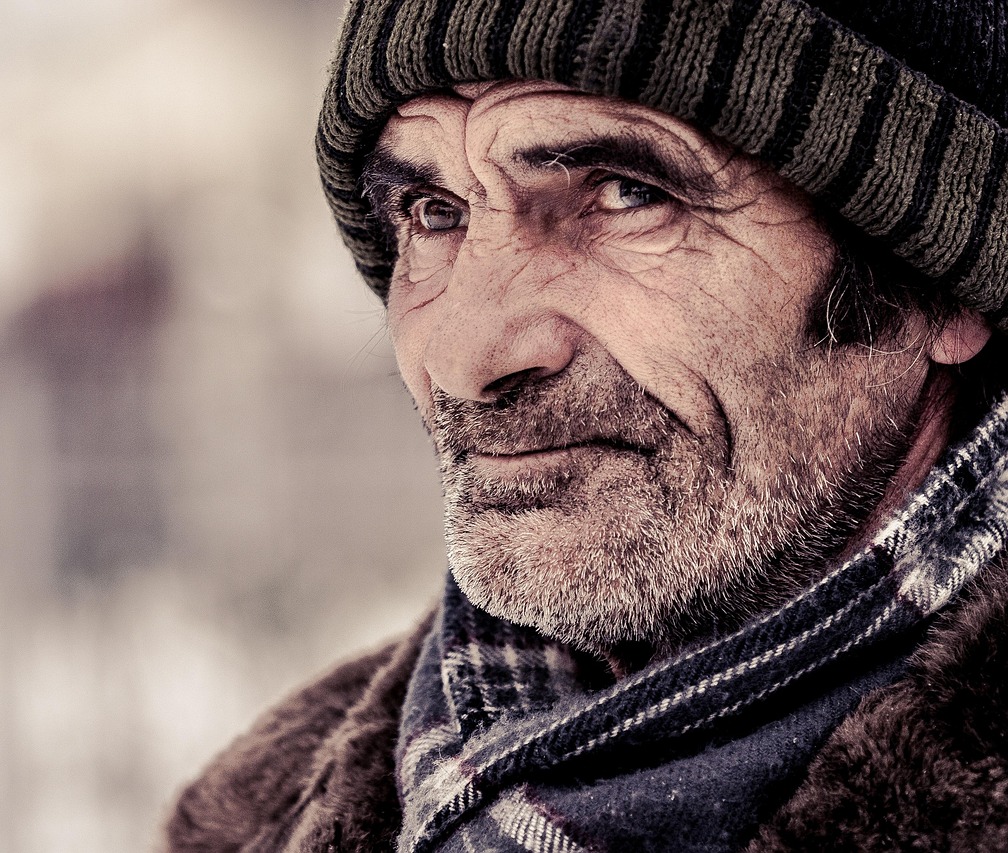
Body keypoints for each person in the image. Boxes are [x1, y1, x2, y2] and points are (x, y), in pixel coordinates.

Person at [168, 0, 1008, 849]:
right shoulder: (247, 819)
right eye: (432, 211)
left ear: (938, 289)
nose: (465, 355)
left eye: (626, 194)